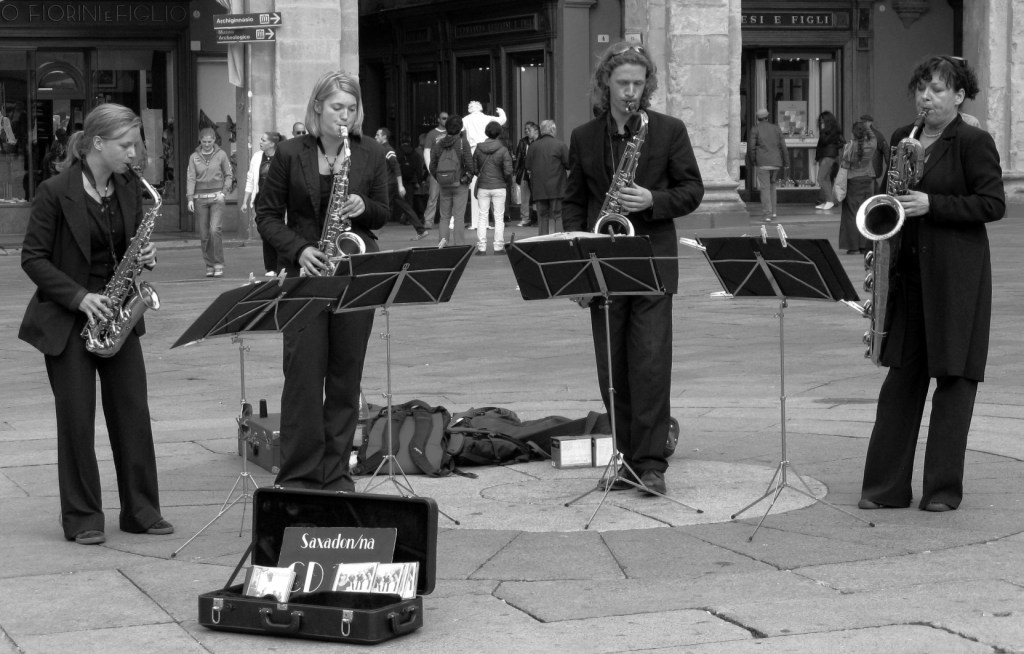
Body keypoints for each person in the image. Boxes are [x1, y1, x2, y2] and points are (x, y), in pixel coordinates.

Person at [19, 103, 173, 545]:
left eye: (137, 144)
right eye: (126, 145)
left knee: (133, 414)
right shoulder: (54, 191)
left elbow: (131, 245)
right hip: (69, 318)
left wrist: (147, 255)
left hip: (118, 313)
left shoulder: (129, 187)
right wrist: (79, 297)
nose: (134, 154)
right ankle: (83, 517)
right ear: (97, 143)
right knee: (77, 420)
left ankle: (141, 511)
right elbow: (33, 258)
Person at [858, 55, 1005, 513]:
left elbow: (992, 203)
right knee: (901, 382)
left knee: (954, 380)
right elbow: (890, 196)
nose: (926, 97)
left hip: (957, 278)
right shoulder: (904, 137)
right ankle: (884, 488)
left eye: (938, 89)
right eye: (921, 88)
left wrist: (932, 204)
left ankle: (941, 490)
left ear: (959, 95)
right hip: (909, 276)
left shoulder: (974, 141)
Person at [563, 42, 704, 495]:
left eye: (638, 84)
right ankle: (622, 458)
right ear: (605, 82)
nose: (630, 92)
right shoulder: (584, 136)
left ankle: (651, 464)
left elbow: (693, 190)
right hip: (602, 262)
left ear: (648, 86)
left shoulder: (668, 130)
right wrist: (576, 264)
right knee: (613, 369)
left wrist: (652, 200)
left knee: (650, 364)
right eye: (622, 83)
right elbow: (573, 202)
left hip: (653, 262)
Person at [256, 71, 389, 491]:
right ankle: (298, 476)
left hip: (354, 276)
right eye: (336, 108)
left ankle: (336, 475)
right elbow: (266, 215)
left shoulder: (370, 152)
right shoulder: (289, 153)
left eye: (351, 108)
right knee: (303, 379)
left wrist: (364, 205)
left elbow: (384, 212)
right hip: (305, 275)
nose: (344, 116)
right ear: (318, 106)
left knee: (346, 379)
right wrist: (299, 250)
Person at [186, 127, 233, 277]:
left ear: (214, 140)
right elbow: (191, 178)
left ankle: (218, 263)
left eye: (209, 141)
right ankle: (209, 264)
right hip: (200, 199)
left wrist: (224, 192)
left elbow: (229, 175)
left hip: (217, 197)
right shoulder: (194, 157)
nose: (207, 144)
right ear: (200, 141)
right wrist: (190, 198)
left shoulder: (221, 155)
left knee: (214, 230)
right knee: (204, 234)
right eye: (204, 142)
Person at [240, 130, 284, 276]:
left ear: (272, 144)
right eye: (261, 139)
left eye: (264, 140)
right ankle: (270, 267)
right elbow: (250, 179)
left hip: (278, 200)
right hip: (261, 200)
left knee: (277, 230)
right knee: (265, 231)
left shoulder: (281, 156)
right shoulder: (257, 157)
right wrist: (245, 201)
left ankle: (279, 264)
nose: (260, 142)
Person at [374, 126, 428, 240]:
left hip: (389, 184)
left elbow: (396, 166)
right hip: (391, 184)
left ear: (384, 137)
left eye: (378, 135)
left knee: (380, 206)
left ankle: (373, 232)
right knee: (405, 207)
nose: (375, 137)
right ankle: (421, 230)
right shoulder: (383, 149)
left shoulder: (388, 150)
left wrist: (400, 185)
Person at [429, 114, 474, 248]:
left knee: (444, 217)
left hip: (444, 184)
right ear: (460, 128)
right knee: (459, 217)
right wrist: (466, 178)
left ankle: (443, 244)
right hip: (460, 184)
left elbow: (432, 166)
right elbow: (470, 165)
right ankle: (459, 245)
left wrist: (440, 178)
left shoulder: (438, 144)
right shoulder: (462, 143)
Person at [463, 101, 507, 228]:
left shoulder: (466, 119)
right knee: (486, 183)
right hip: (488, 147)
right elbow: (502, 120)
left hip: (474, 149)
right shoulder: (486, 118)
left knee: (476, 185)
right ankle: (485, 222)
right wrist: (501, 111)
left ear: (470, 108)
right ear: (480, 108)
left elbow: (457, 128)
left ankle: (476, 222)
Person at [472, 120, 513, 254]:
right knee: (499, 218)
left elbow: (474, 168)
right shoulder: (503, 149)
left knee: (482, 216)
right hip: (499, 186)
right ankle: (498, 247)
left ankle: (481, 247)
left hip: (483, 186)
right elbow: (508, 171)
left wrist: (481, 175)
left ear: (486, 132)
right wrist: (504, 180)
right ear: (499, 133)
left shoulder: (479, 148)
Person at [836, 121, 875, 254]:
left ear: (853, 133)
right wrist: (867, 127)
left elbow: (844, 163)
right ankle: (864, 245)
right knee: (865, 212)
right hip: (868, 180)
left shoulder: (849, 146)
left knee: (851, 214)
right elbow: (872, 136)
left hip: (853, 181)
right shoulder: (872, 145)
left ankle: (853, 247)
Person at [525, 119, 569, 236]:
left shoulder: (533, 146)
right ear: (552, 130)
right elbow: (569, 164)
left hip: (539, 188)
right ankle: (559, 241)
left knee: (542, 217)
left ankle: (543, 242)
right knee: (558, 216)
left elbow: (528, 166)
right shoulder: (560, 145)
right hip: (557, 187)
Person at [747, 108, 789, 221]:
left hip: (762, 163)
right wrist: (786, 162)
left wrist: (753, 161)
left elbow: (751, 147)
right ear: (767, 117)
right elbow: (783, 146)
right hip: (775, 163)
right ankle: (773, 212)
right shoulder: (776, 128)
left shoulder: (755, 129)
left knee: (765, 188)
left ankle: (767, 214)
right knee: (772, 186)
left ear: (757, 118)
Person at [420, 111, 449, 228]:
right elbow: (426, 151)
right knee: (433, 196)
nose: (445, 120)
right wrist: (429, 168)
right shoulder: (432, 134)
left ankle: (446, 220)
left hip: (449, 169)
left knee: (448, 196)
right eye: (443, 118)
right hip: (436, 169)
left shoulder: (451, 133)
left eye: (447, 118)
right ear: (438, 120)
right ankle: (428, 220)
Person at [813, 110, 844, 211]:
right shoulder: (829, 130)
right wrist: (816, 157)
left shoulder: (831, 130)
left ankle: (830, 201)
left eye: (823, 119)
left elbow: (826, 141)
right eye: (820, 119)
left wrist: (833, 147)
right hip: (825, 155)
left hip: (829, 156)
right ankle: (828, 201)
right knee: (825, 178)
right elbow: (820, 144)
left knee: (821, 178)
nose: (821, 121)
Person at [514, 121, 539, 226]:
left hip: (536, 171)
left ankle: (536, 218)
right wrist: (515, 172)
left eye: (529, 129)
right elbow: (519, 157)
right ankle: (525, 218)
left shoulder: (539, 141)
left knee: (536, 196)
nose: (526, 131)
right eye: (525, 129)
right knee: (524, 196)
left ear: (536, 130)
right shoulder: (523, 141)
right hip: (524, 171)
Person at [860, 114, 889, 193]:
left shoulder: (875, 135)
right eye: (862, 122)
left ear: (870, 122)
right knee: (873, 185)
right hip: (872, 166)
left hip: (871, 166)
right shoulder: (876, 134)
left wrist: (889, 163)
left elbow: (885, 149)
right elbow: (886, 149)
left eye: (865, 122)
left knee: (871, 186)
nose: (863, 123)